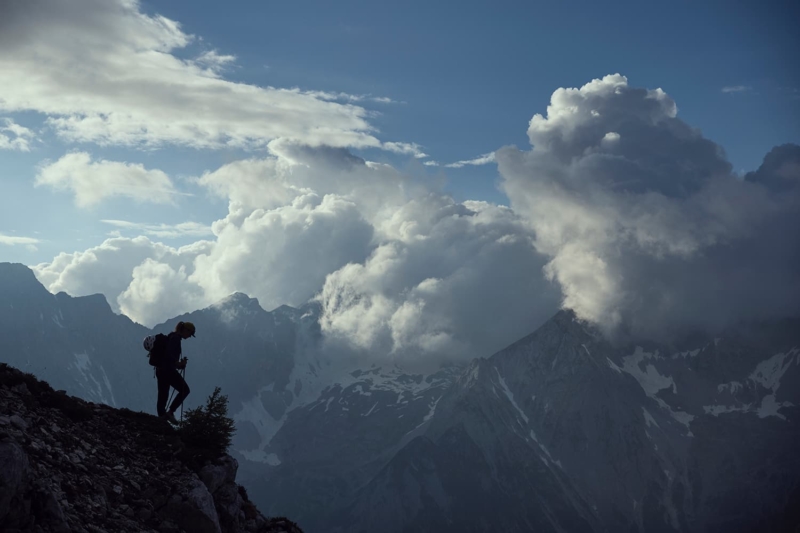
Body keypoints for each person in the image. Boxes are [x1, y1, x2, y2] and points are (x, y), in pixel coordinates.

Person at [156, 321, 195, 423]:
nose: (190, 336)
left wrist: (178, 365)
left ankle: (161, 417)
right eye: (190, 334)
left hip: (161, 370)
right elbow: (169, 356)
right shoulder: (176, 339)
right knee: (185, 390)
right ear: (186, 330)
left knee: (163, 394)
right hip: (168, 371)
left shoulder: (172, 336)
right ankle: (170, 412)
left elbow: (167, 356)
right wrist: (179, 364)